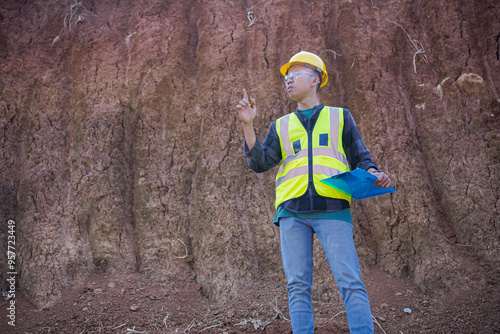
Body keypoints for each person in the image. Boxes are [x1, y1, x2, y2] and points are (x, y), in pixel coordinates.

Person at [235, 51, 391, 334]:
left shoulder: (340, 117)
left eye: (294, 74)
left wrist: (373, 174)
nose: (288, 80)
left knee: (350, 281)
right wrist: (248, 124)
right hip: (292, 213)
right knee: (297, 286)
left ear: (315, 79)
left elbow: (362, 158)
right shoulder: (281, 125)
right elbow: (259, 163)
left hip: (332, 209)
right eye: (286, 77)